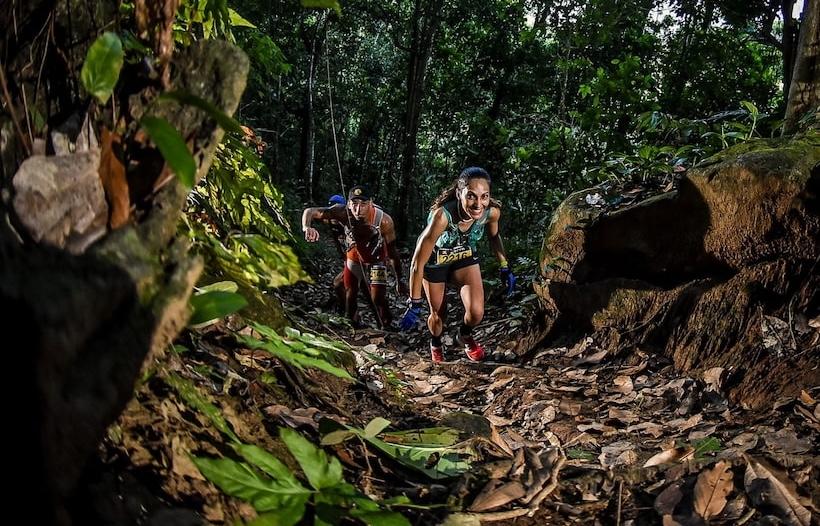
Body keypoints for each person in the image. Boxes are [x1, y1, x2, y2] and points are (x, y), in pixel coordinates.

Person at [399, 167, 515, 363]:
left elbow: (494, 237)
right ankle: (436, 343)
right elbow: (418, 262)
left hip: (463, 257)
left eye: (484, 197)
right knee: (439, 315)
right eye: (471, 196)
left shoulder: (491, 213)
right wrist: (414, 302)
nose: (478, 204)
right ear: (459, 193)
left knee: (476, 312)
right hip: (435, 261)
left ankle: (464, 336)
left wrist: (504, 266)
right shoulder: (442, 216)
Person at [302, 186, 407, 328]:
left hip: (376, 257)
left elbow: (393, 252)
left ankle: (387, 325)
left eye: (363, 204)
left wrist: (400, 279)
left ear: (371, 203)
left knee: (377, 296)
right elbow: (310, 211)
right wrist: (306, 227)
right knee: (350, 292)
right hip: (354, 256)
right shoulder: (342, 212)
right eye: (354, 204)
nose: (358, 210)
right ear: (348, 204)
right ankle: (354, 324)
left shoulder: (384, 221)